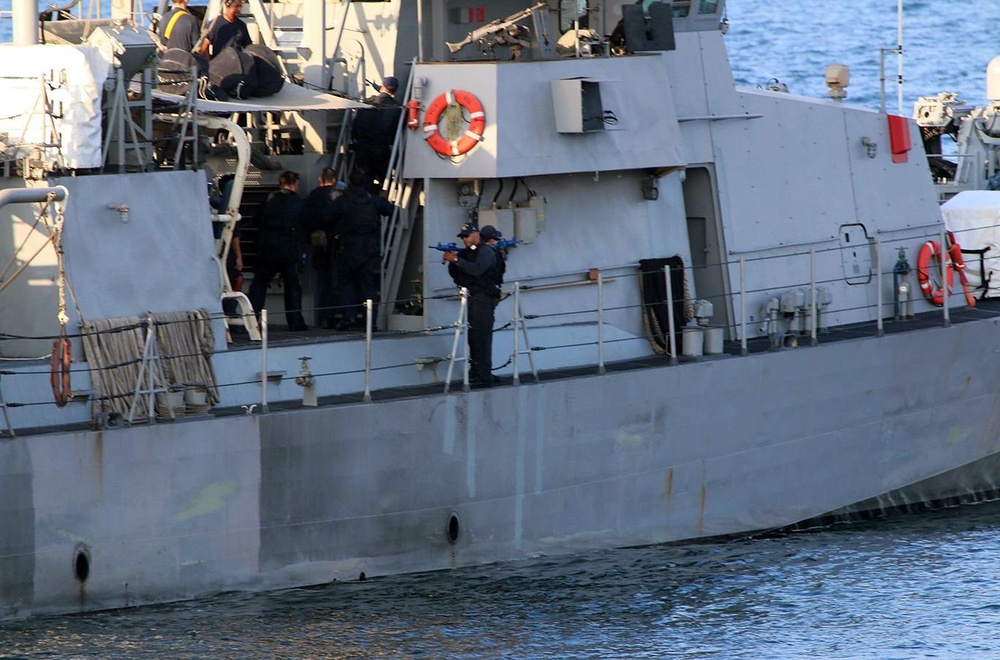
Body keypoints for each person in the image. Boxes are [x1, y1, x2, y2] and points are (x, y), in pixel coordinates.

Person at [327, 169, 395, 330]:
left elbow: (327, 215)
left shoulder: (343, 200)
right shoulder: (372, 199)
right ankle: (370, 321)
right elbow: (390, 210)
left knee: (346, 283)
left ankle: (349, 317)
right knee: (368, 286)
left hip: (348, 246)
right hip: (368, 248)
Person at [248, 170, 309, 331]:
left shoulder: (269, 200)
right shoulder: (299, 202)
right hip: (288, 247)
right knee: (292, 286)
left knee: (259, 283)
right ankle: (295, 322)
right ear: (294, 184)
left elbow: (256, 220)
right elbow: (304, 225)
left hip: (268, 246)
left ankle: (252, 321)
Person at [443, 223, 499, 387]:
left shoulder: (486, 252)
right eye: (463, 237)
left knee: (482, 337)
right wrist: (453, 262)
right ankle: (476, 372)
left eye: (467, 236)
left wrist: (457, 260)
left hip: (484, 298)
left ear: (476, 235)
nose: (464, 240)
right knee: (474, 338)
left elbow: (477, 270)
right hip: (473, 298)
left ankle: (484, 374)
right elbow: (460, 276)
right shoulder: (470, 253)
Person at [300, 168, 345, 329]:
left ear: (321, 180)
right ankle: (343, 315)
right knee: (339, 280)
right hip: (338, 242)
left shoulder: (313, 196)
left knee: (323, 280)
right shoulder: (339, 196)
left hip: (318, 242)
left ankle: (326, 316)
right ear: (334, 180)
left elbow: (304, 218)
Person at [352, 76, 402, 191]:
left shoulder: (367, 102)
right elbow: (398, 129)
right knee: (385, 182)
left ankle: (365, 201)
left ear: (382, 87)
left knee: (364, 180)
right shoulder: (397, 107)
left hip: (362, 148)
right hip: (381, 150)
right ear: (395, 90)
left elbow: (355, 124)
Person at [479, 224, 507, 294]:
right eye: (495, 239)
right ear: (491, 239)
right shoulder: (495, 254)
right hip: (489, 290)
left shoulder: (477, 250)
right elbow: (500, 270)